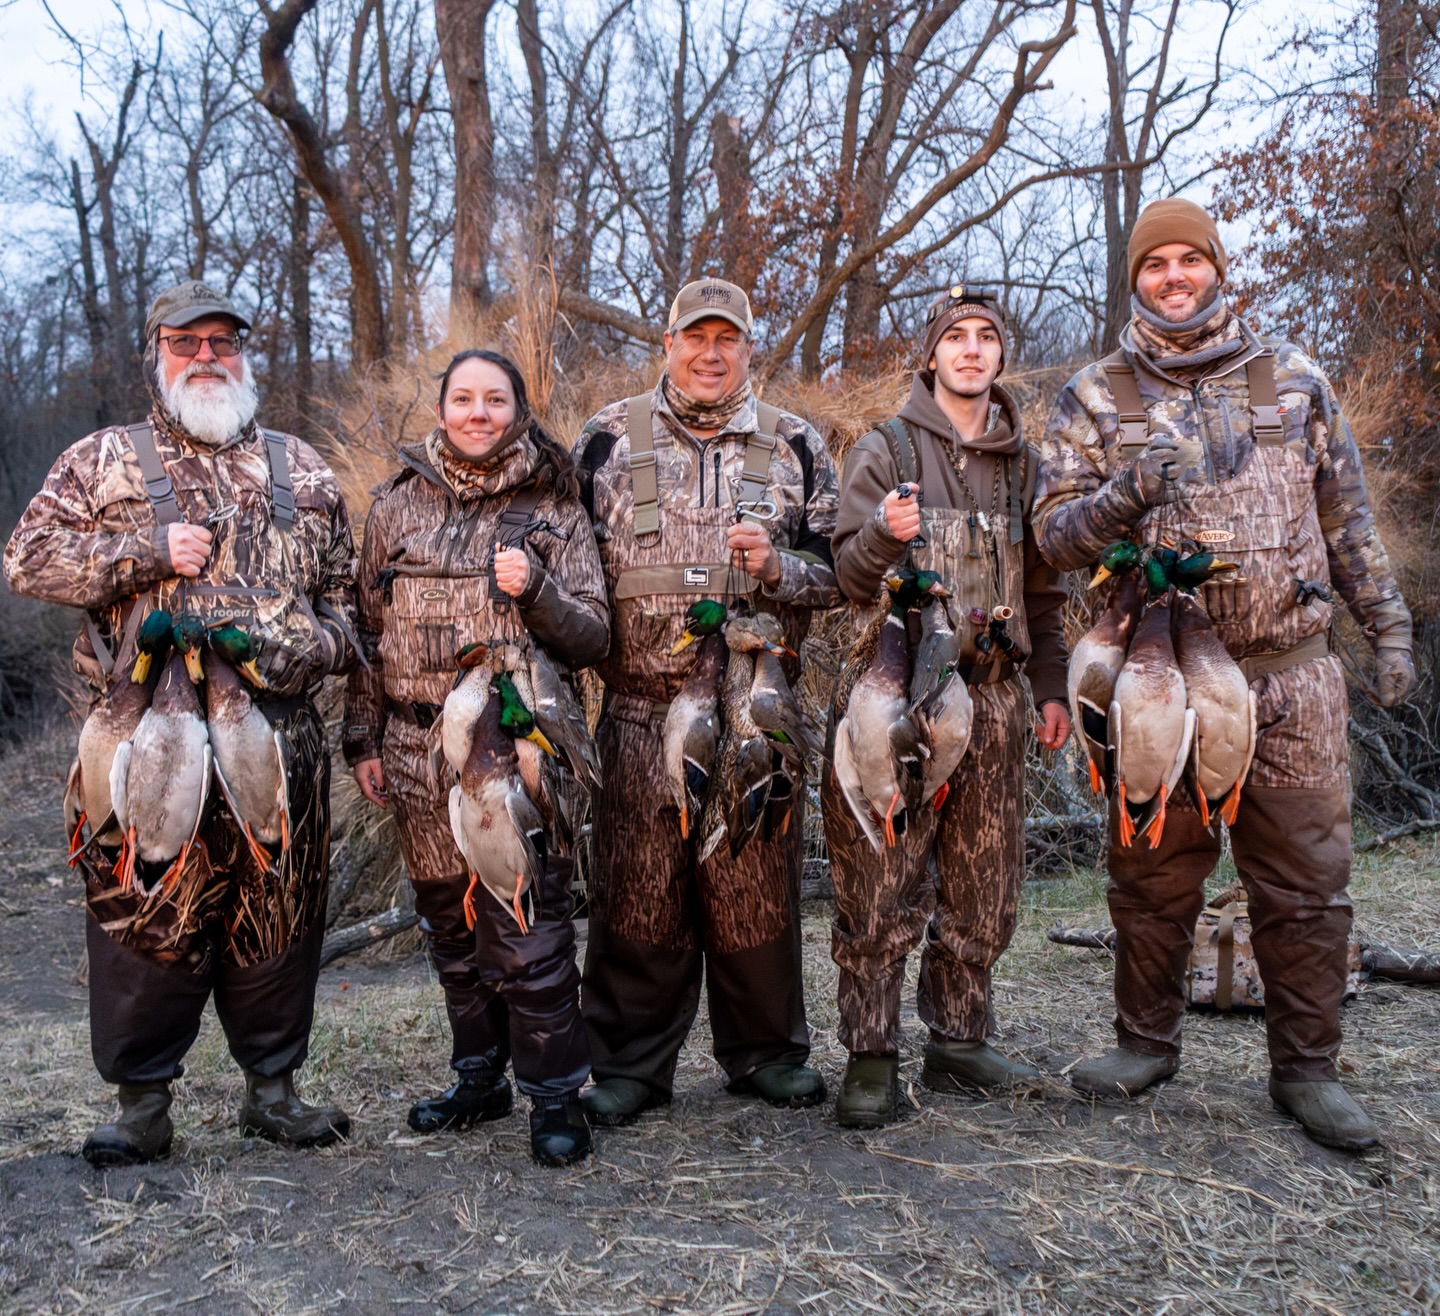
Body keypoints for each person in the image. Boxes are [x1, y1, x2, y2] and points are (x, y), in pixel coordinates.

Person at [1033, 197, 1415, 1151]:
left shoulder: (1294, 381)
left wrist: (1391, 631)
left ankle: (1307, 1071)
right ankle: (1144, 1044)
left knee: (1307, 881)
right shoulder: (1095, 394)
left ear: (1216, 267)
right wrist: (1125, 495)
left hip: (1291, 679)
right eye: (1154, 263)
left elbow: (1349, 523)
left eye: (1188, 260)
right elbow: (1051, 538)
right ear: (1135, 279)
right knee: (1151, 874)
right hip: (1157, 685)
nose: (1173, 277)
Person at [4, 280, 359, 1165]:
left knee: (278, 912)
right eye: (185, 341)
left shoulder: (303, 467)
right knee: (142, 917)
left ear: (244, 352)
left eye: (222, 340)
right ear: (155, 353)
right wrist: (145, 551)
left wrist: (314, 643)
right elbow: (26, 561)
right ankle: (142, 1107)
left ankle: (273, 1094)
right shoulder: (102, 460)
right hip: (144, 735)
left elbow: (349, 601)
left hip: (276, 733)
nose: (206, 356)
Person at [572, 277, 841, 1124]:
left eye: (728, 338)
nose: (711, 354)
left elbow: (841, 575)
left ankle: (765, 1052)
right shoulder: (604, 440)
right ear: (669, 343)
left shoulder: (796, 442)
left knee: (752, 884)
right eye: (696, 336)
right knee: (637, 887)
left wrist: (779, 569)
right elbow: (569, 569)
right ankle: (629, 1064)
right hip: (638, 710)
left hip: (755, 711)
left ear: (749, 347)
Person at [344, 349, 608, 1167]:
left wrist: (538, 590)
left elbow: (595, 637)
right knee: (451, 929)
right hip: (414, 750)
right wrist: (363, 739)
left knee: (528, 927)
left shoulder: (556, 507)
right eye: (464, 398)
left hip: (516, 755)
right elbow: (366, 634)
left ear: (519, 412)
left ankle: (554, 1096)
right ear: (442, 409)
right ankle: (479, 1077)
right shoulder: (394, 505)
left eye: (496, 400)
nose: (479, 413)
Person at [824, 285, 1071, 1126]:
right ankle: (871, 1052)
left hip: (994, 695)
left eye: (985, 337)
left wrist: (1049, 688)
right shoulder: (883, 448)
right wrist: (883, 535)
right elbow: (846, 578)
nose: (971, 349)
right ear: (930, 354)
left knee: (985, 877)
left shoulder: (1025, 465)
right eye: (955, 336)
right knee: (881, 875)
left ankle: (960, 1042)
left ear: (1001, 354)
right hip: (899, 700)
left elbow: (1044, 591)